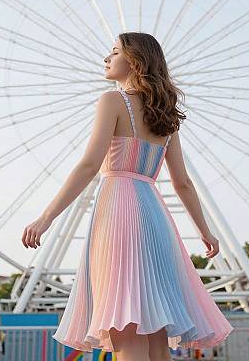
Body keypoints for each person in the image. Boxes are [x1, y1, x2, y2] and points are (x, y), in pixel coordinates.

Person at [22, 33, 234, 361]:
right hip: (155, 218)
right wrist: (206, 232)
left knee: (125, 326)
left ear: (134, 61)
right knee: (156, 337)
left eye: (115, 51)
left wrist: (46, 217)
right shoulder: (166, 116)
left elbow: (90, 164)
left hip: (118, 213)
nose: (107, 58)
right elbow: (183, 184)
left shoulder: (112, 101)